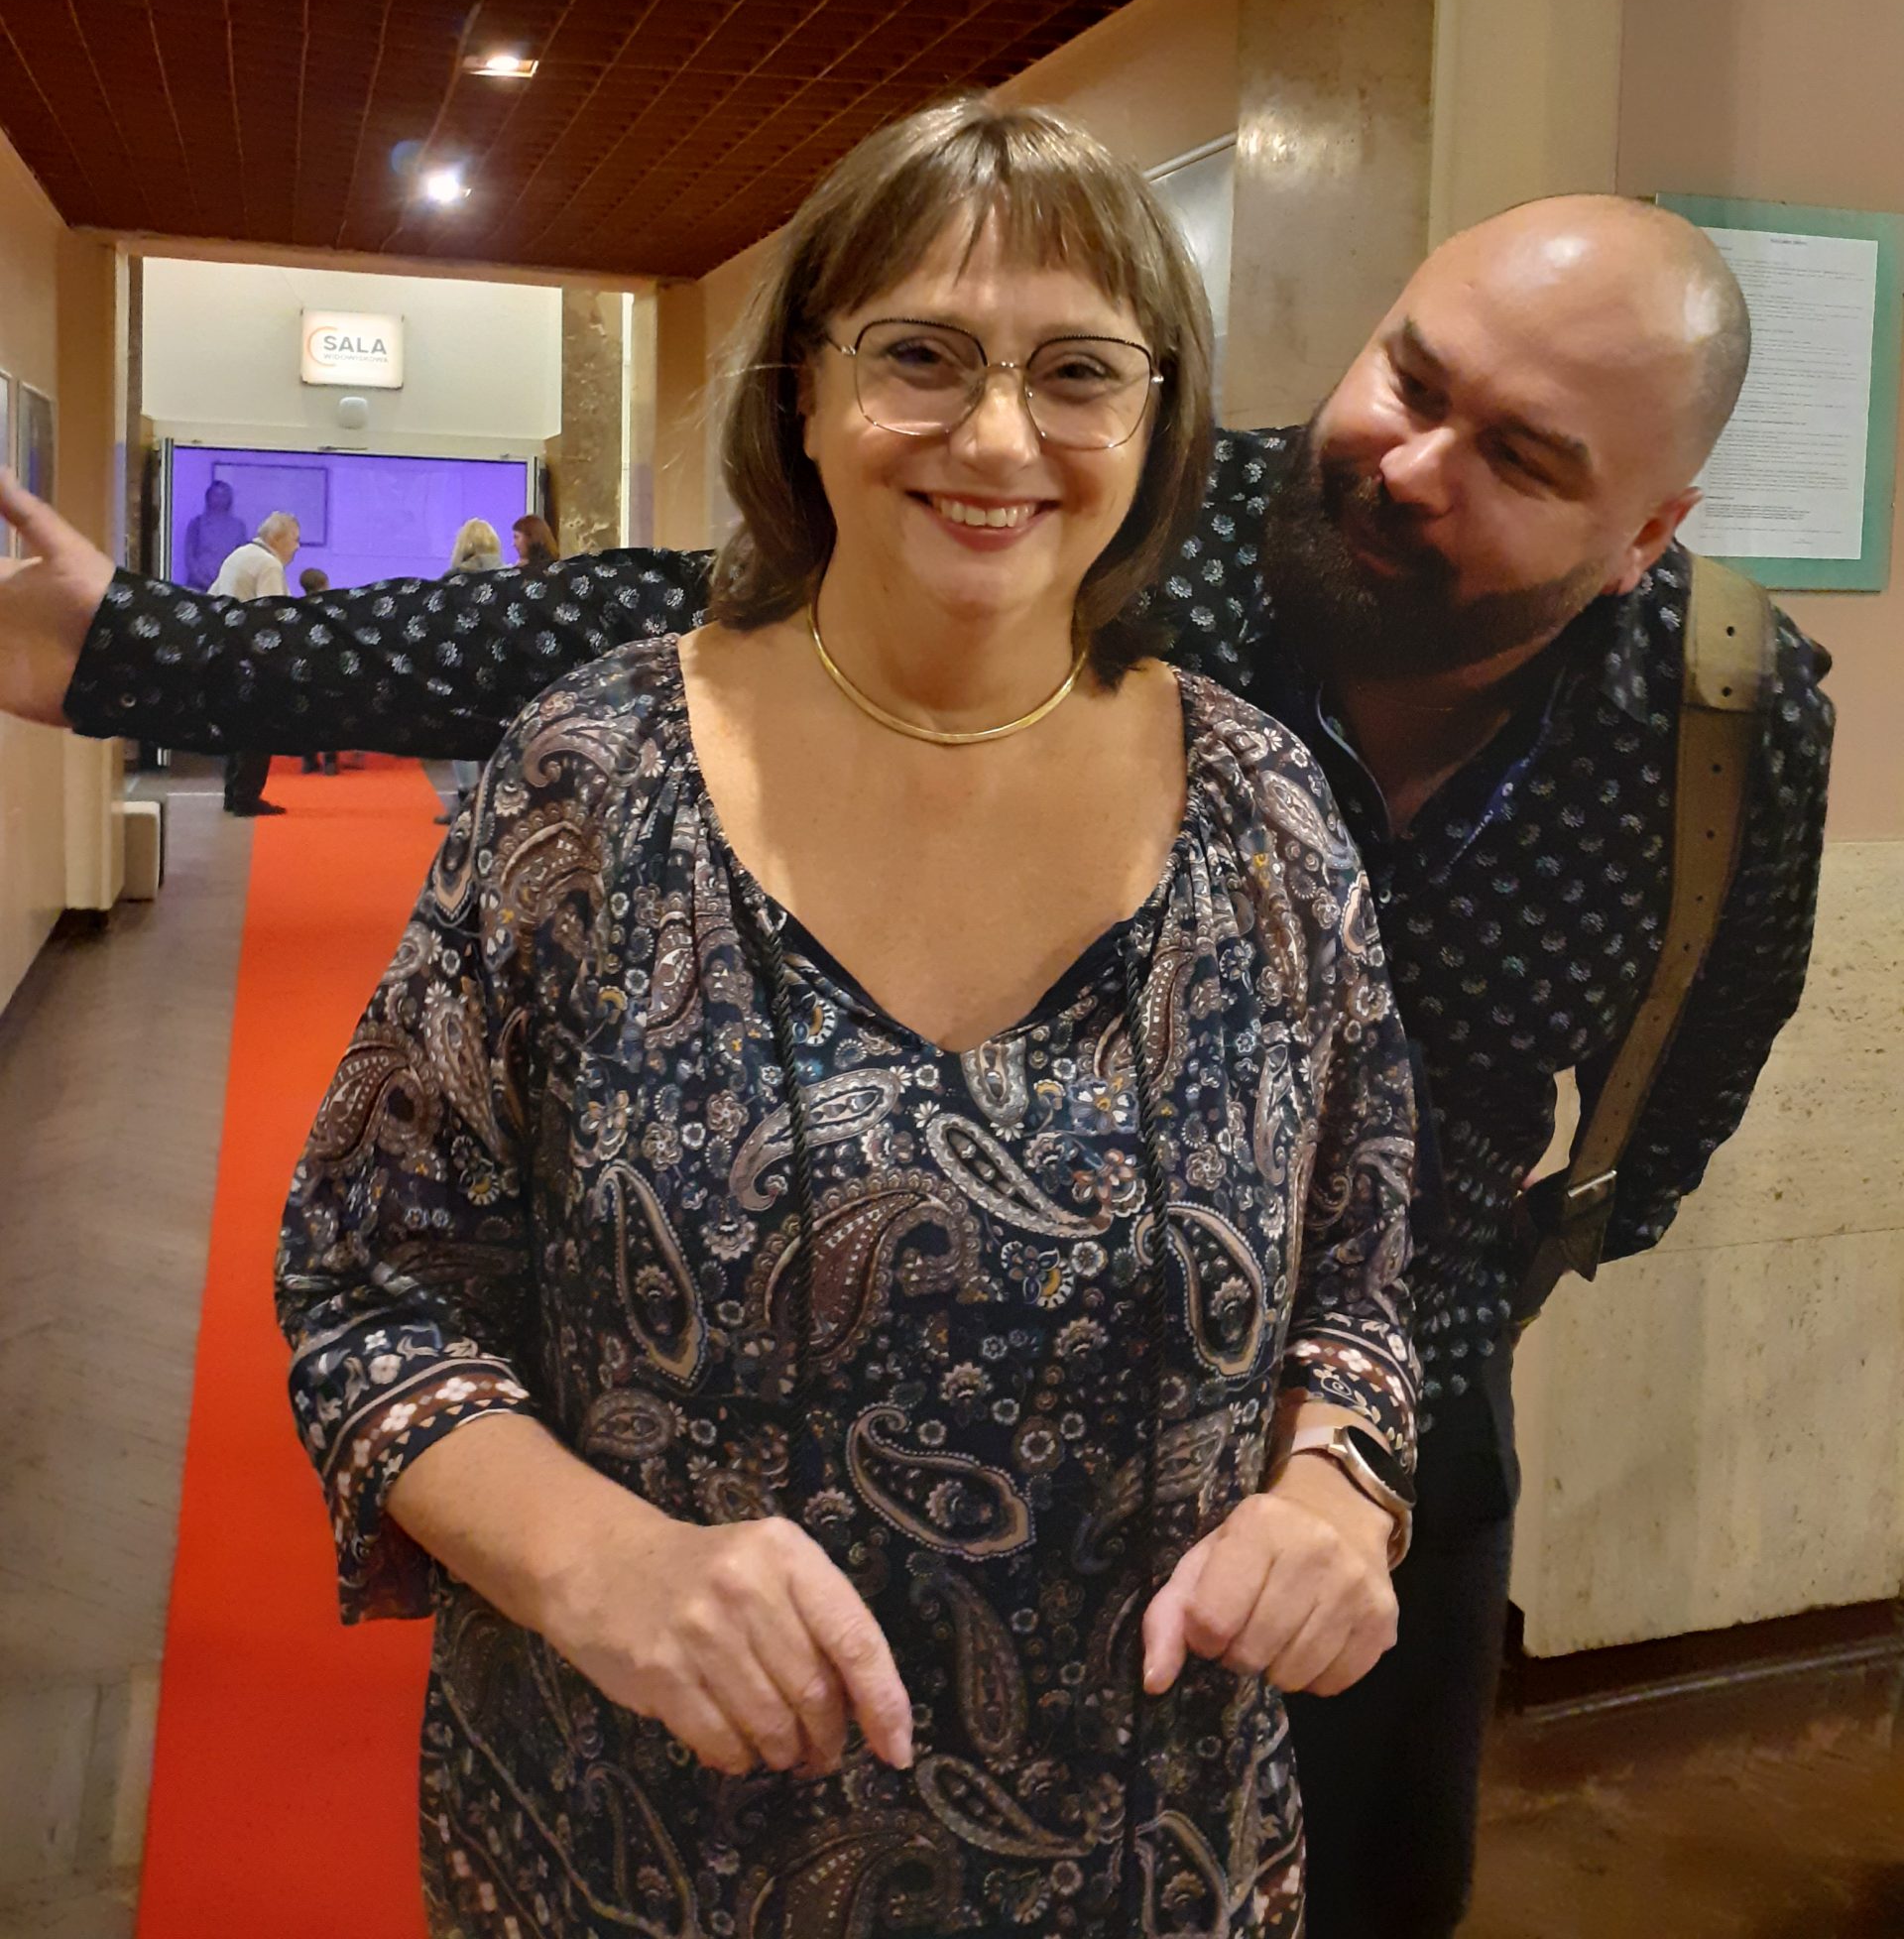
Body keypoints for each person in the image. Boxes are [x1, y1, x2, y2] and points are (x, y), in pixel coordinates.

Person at [0, 189, 1833, 1938]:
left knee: (1371, 1880)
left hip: (1377, 1397)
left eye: (1522, 459)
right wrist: (145, 650)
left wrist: (1424, 1359)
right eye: (1409, 378)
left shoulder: (1721, 718)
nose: (1413, 465)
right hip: (841, 1460)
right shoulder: (1157, 525)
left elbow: (1706, 1051)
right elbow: (657, 621)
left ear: (1644, 534)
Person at [275, 101, 1418, 1937]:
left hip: (1150, 1853)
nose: (999, 437)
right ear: (805, 391)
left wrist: (1336, 1498)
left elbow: (1362, 1283)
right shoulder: (596, 780)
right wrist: (597, 1566)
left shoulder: (1266, 813)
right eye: (923, 357)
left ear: (1156, 422)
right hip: (646, 1843)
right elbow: (368, 1290)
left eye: (1077, 372)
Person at [207, 511, 299, 816]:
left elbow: (213, 596)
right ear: (278, 538)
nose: (297, 547)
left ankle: (233, 794)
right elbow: (271, 613)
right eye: (295, 540)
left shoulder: (237, 556)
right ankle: (247, 797)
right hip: (254, 657)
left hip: (229, 650)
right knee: (259, 728)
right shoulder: (269, 564)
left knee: (237, 727)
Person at [439, 518, 505, 822]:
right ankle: (494, 799)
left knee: (461, 730)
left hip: (464, 663)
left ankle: (465, 799)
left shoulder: (453, 581)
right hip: (501, 665)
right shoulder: (510, 578)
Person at [298, 567, 339, 777]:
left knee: (306, 713)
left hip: (303, 667)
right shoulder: (332, 608)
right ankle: (330, 760)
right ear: (324, 584)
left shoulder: (296, 608)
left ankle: (308, 759)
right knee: (330, 713)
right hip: (328, 666)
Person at [180, 476, 249, 592]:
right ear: (208, 497)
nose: (219, 499)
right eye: (216, 495)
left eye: (223, 495)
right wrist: (205, 581)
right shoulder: (197, 523)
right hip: (198, 587)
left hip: (227, 587)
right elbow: (189, 558)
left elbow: (242, 557)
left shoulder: (238, 526)